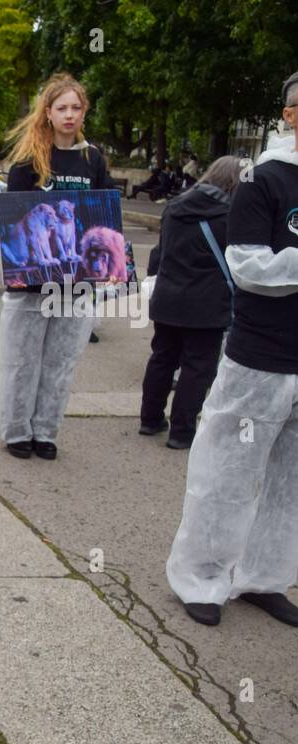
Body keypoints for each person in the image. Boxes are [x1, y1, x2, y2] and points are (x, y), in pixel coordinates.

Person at [165, 71, 298, 629]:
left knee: (291, 480)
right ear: (291, 114)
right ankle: (200, 576)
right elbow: (246, 265)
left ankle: (265, 576)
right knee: (228, 473)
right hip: (261, 357)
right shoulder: (263, 181)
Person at [0, 74, 115, 460]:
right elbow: (15, 220)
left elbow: (104, 215)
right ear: (47, 113)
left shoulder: (92, 159)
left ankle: (46, 430)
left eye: (76, 108)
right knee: (22, 360)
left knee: (62, 361)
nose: (69, 115)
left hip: (75, 282)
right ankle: (17, 431)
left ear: (84, 113)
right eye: (61, 108)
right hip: (32, 282)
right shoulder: (29, 161)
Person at [140, 157, 242, 449]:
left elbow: (160, 251)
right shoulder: (230, 216)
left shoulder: (174, 208)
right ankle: (182, 431)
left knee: (161, 357)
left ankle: (150, 419)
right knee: (198, 367)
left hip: (169, 297)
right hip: (207, 303)